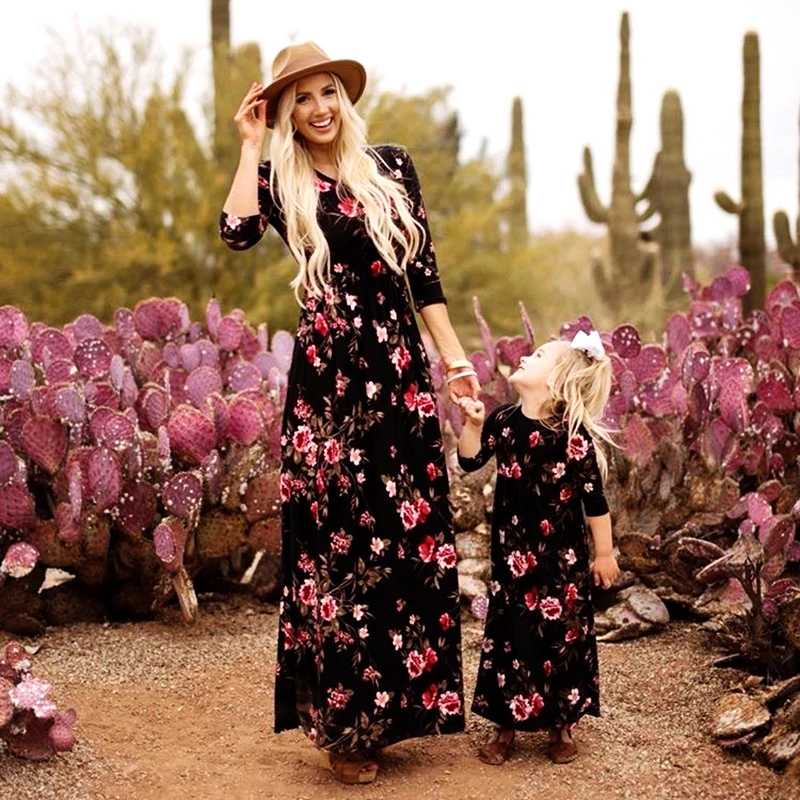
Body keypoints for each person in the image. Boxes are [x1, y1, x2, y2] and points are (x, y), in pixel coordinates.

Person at [219, 42, 479, 784]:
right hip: (328, 389)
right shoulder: (278, 178)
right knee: (337, 555)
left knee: (406, 537)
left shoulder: (391, 167)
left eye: (328, 92)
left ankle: (398, 712)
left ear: (345, 97)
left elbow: (424, 278)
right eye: (301, 99)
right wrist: (249, 146)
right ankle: (344, 726)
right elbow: (235, 233)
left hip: (397, 377)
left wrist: (457, 366)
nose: (320, 107)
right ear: (285, 114)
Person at [457, 331, 619, 765]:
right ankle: (504, 725)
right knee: (510, 634)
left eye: (539, 355)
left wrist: (604, 554)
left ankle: (560, 725)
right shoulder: (503, 421)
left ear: (558, 378)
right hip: (512, 557)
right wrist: (472, 425)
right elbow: (469, 461)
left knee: (562, 638)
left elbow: (594, 499)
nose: (526, 356)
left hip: (562, 563)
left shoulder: (573, 435)